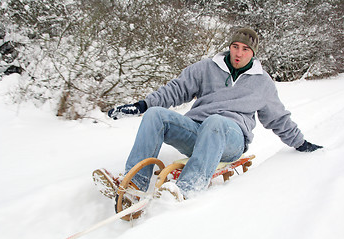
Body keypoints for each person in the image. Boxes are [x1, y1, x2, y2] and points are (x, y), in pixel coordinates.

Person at [102, 28, 322, 200]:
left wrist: (300, 143)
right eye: (235, 46)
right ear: (229, 47)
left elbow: (278, 118)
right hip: (197, 132)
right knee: (156, 115)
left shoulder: (262, 82)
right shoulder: (207, 67)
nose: (238, 53)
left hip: (230, 139)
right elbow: (176, 89)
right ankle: (134, 185)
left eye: (245, 49)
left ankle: (187, 188)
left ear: (253, 53)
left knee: (216, 122)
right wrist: (143, 105)